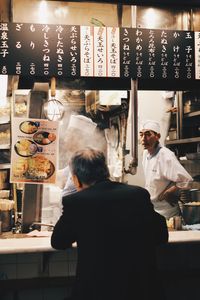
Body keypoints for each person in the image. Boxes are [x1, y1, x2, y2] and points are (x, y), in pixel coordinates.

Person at [51, 147, 168, 300]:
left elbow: (58, 242)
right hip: (143, 291)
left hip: (98, 292)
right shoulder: (138, 194)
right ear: (106, 171)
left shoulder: (76, 202)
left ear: (75, 179)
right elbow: (161, 236)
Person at [139, 120, 193, 220]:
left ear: (157, 136)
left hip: (167, 212)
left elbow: (187, 180)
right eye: (141, 135)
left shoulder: (166, 156)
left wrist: (169, 192)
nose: (143, 139)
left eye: (147, 135)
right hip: (152, 208)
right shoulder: (146, 154)